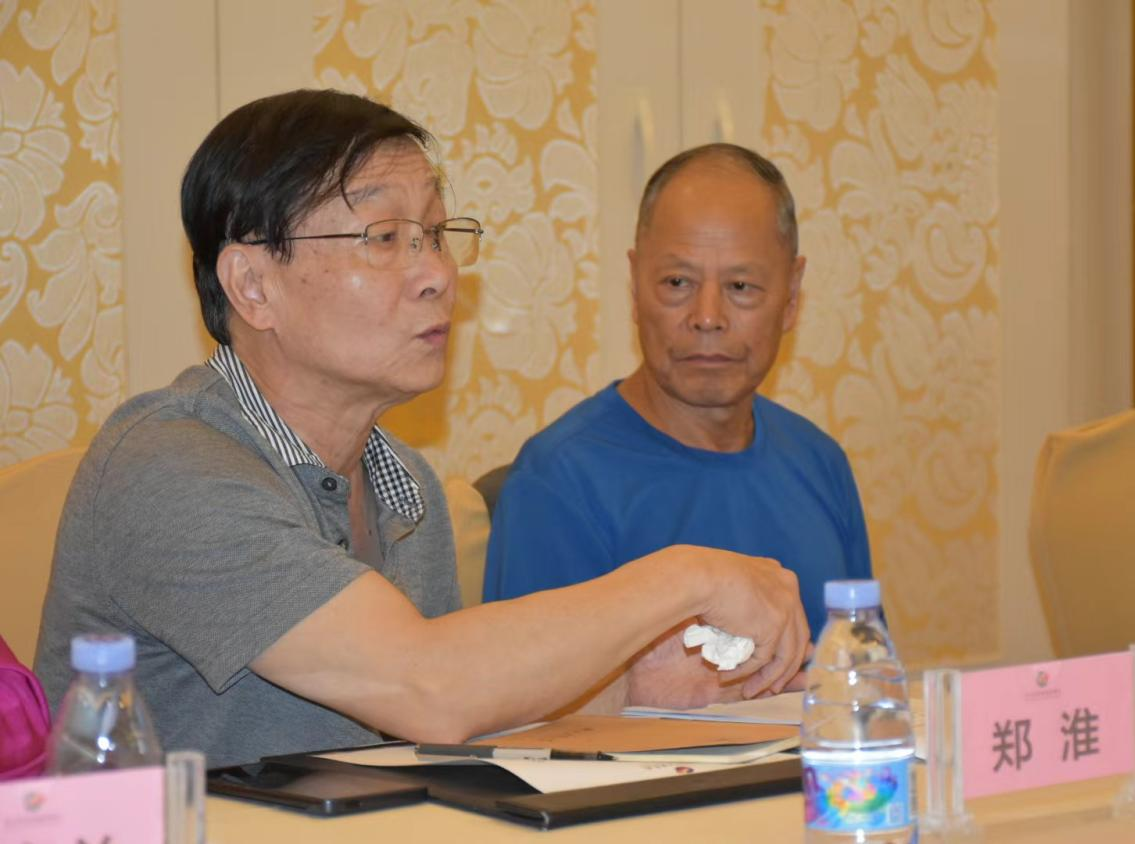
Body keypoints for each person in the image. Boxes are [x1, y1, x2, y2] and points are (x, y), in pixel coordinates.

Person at [33, 91, 809, 769]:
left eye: (436, 234)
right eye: (383, 238)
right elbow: (427, 685)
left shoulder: (404, 487)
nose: (439, 273)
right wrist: (688, 576)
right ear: (253, 285)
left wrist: (643, 682)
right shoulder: (166, 468)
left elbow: (457, 709)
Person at [483, 143, 871, 649]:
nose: (707, 316)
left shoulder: (820, 463)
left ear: (792, 296)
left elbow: (863, 678)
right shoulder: (558, 482)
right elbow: (531, 694)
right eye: (677, 282)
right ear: (635, 285)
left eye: (741, 286)